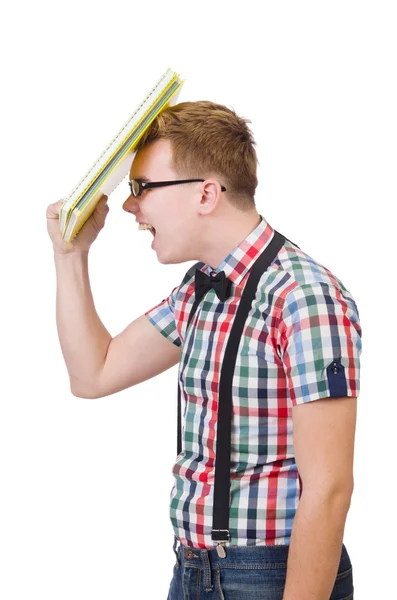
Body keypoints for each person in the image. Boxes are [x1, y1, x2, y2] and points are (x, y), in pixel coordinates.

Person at [47, 100, 361, 599]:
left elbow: (329, 490)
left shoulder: (302, 297)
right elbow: (93, 375)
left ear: (206, 194)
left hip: (269, 575)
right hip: (193, 571)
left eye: (142, 188)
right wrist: (71, 255)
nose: (131, 206)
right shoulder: (200, 290)